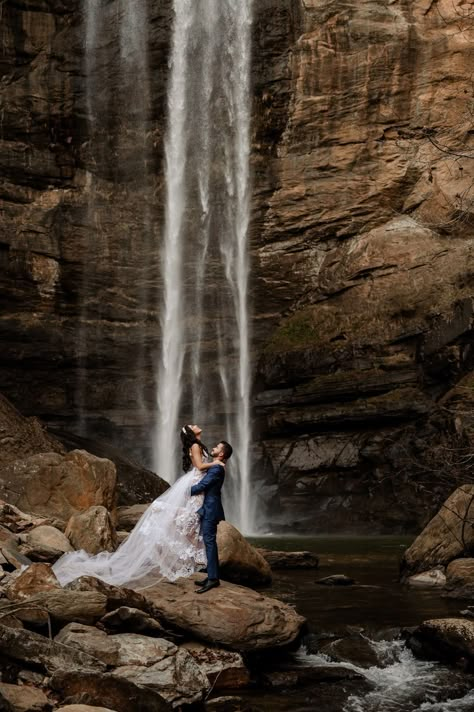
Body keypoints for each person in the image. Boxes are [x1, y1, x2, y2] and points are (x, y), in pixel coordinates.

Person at [52, 424, 219, 589]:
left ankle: (193, 556)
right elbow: (199, 466)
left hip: (198, 482)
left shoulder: (197, 444)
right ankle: (189, 555)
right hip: (197, 481)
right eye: (192, 425)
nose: (196, 425)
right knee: (190, 516)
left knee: (193, 517)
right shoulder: (196, 446)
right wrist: (217, 463)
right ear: (190, 432)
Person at [192, 440, 233, 594]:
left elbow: (203, 486)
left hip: (210, 509)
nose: (213, 448)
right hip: (208, 508)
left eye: (216, 447)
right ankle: (211, 575)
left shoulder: (216, 469)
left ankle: (213, 579)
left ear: (221, 454)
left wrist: (184, 491)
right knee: (208, 542)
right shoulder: (215, 467)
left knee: (209, 542)